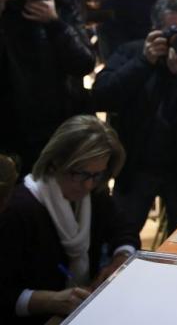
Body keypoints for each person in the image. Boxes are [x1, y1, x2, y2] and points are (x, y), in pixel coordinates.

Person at [92, 0, 177, 236]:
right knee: (120, 235)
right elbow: (102, 96)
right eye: (176, 30)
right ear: (155, 30)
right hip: (137, 166)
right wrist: (144, 62)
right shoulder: (133, 53)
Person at [0, 115, 139, 324]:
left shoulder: (93, 193)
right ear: (55, 163)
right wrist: (49, 301)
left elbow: (123, 228)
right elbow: (4, 293)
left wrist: (119, 261)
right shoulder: (19, 209)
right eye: (81, 174)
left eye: (98, 175)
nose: (88, 185)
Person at [0, 0, 96, 176]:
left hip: (59, 125)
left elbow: (84, 63)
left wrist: (54, 24)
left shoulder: (60, 7)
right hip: (11, 127)